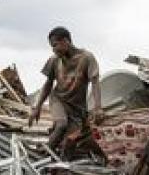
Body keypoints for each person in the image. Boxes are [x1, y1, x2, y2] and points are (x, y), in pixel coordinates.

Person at [29, 26, 104, 158]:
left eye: (55, 45)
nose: (53, 50)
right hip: (58, 99)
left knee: (70, 142)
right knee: (62, 125)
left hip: (77, 107)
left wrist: (98, 108)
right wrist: (38, 107)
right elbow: (48, 84)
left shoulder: (87, 58)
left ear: (66, 41)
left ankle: (60, 167)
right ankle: (40, 157)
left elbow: (95, 82)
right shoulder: (54, 60)